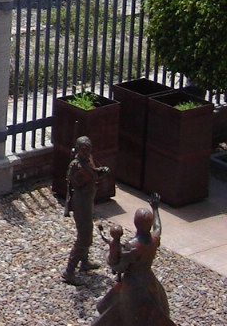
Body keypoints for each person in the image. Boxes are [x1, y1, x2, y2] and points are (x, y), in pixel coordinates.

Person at [93, 194, 176, 325]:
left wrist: (110, 256)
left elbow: (119, 267)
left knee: (128, 313)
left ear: (136, 224)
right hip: (148, 279)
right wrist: (155, 208)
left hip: (132, 285)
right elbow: (158, 227)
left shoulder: (131, 246)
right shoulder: (153, 240)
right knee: (152, 308)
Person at [62, 135, 109, 284]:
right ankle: (69, 272)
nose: (87, 151)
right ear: (78, 149)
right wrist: (97, 176)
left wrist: (100, 171)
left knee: (88, 230)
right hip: (81, 201)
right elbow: (79, 182)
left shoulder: (88, 160)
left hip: (88, 199)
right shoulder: (76, 166)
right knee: (84, 235)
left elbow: (93, 173)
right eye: (84, 149)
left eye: (89, 148)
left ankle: (84, 262)